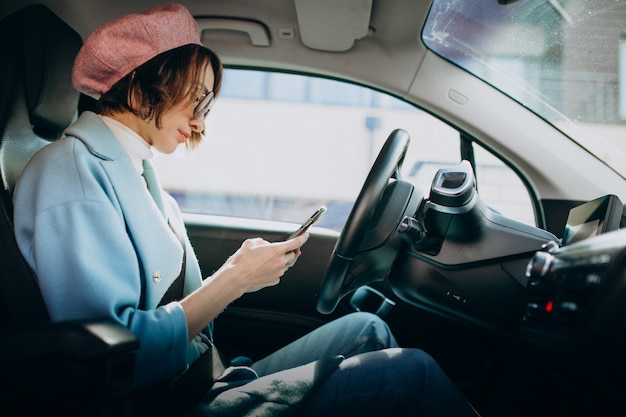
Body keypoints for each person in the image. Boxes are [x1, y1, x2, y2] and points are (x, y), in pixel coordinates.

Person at [13, 4, 479, 417]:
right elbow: (113, 355)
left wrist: (238, 275)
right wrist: (233, 279)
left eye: (207, 105)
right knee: (410, 374)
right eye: (194, 100)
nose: (199, 122)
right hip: (163, 402)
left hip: (200, 378)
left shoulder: (135, 169)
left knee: (367, 329)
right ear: (137, 86)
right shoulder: (71, 173)